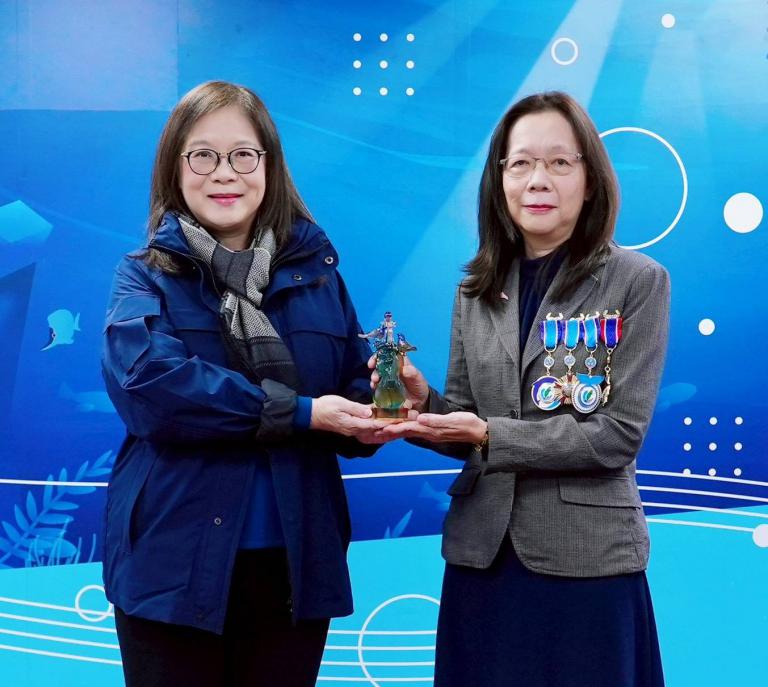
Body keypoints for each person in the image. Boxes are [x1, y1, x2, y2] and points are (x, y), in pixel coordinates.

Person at [375, 92, 668, 687]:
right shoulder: (475, 289)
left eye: (559, 162)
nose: (538, 180)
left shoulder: (638, 281)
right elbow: (467, 421)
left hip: (586, 561)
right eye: (521, 163)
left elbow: (616, 435)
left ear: (591, 179)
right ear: (500, 179)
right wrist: (422, 403)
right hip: (482, 558)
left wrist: (488, 434)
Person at [101, 80, 381, 687]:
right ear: (175, 168)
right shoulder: (142, 277)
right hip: (171, 568)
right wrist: (301, 413)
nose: (224, 172)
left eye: (243, 155)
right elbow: (153, 389)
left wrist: (376, 412)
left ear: (269, 166)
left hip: (295, 567)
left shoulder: (318, 276)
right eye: (202, 155)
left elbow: (351, 387)